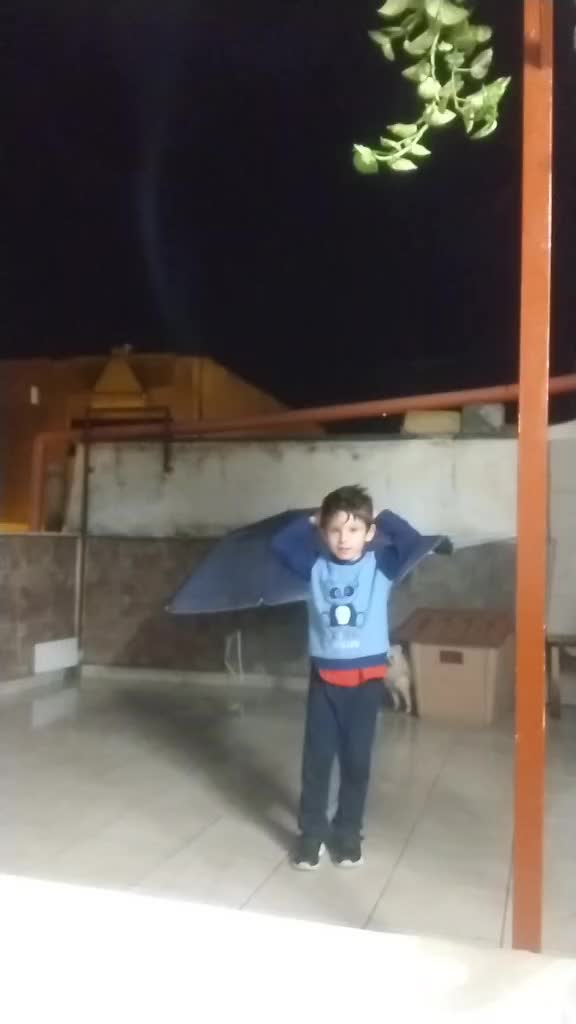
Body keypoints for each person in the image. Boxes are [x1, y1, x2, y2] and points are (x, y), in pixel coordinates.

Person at [271, 484, 448, 870]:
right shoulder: (314, 567)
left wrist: (380, 514)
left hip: (367, 683)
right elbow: (280, 545)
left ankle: (348, 832)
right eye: (334, 530)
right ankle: (311, 834)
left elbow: (412, 542)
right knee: (317, 761)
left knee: (356, 762)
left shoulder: (382, 566)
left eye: (353, 529)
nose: (343, 538)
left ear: (369, 534)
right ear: (323, 533)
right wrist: (312, 519)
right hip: (325, 680)